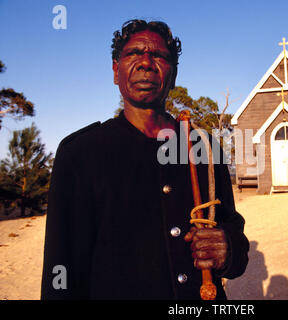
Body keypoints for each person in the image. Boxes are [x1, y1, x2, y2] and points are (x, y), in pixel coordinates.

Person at [41, 19, 249, 300]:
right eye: (134, 53)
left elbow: (232, 229)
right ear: (116, 70)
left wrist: (228, 248)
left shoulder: (204, 147)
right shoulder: (80, 153)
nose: (146, 63)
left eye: (159, 56)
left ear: (173, 75)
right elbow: (61, 266)